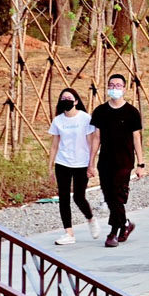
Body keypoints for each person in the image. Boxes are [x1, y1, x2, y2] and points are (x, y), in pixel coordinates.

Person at [89, 74, 145, 248]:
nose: (115, 88)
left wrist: (140, 164)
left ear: (124, 89)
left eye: (118, 85)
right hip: (105, 160)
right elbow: (96, 138)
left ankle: (113, 232)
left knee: (117, 195)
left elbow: (136, 138)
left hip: (125, 160)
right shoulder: (100, 111)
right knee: (109, 195)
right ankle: (125, 224)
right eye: (111, 85)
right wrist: (90, 163)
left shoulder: (132, 112)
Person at [47, 87, 100, 245]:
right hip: (63, 162)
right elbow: (54, 145)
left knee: (78, 196)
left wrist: (92, 165)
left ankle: (90, 218)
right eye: (63, 98)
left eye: (69, 98)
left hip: (81, 163)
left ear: (76, 101)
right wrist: (50, 167)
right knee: (63, 198)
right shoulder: (58, 120)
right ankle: (69, 233)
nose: (66, 101)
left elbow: (91, 143)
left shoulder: (85, 118)